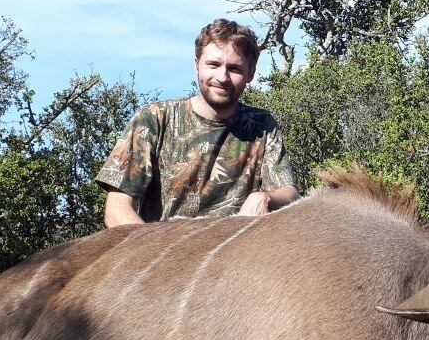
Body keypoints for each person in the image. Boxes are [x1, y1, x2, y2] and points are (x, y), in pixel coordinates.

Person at [97, 19, 300, 227]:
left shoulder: (261, 126)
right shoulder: (155, 118)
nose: (223, 77)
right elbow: (116, 211)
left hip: (236, 252)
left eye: (235, 69)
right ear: (197, 65)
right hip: (164, 250)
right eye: (213, 64)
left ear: (251, 73)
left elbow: (290, 192)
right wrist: (155, 253)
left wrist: (265, 197)